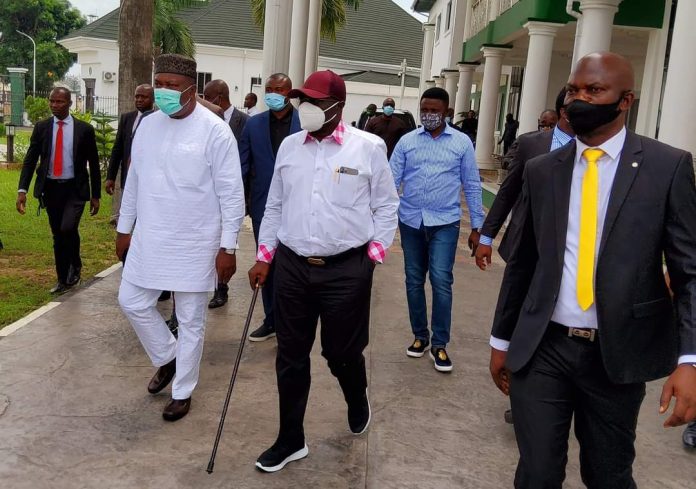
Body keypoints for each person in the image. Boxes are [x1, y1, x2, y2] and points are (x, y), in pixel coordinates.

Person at [489, 52, 696, 488]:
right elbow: (523, 262)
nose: (578, 99)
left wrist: (689, 359)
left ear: (626, 100)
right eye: (574, 89)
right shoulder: (543, 171)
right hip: (543, 346)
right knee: (537, 473)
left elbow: (688, 271)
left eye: (594, 90)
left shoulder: (667, 167)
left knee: (608, 475)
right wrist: (501, 340)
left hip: (615, 354)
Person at [248, 70, 399, 472]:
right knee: (291, 356)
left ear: (338, 106)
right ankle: (290, 439)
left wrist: (373, 257)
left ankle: (356, 395)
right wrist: (264, 256)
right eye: (304, 101)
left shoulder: (368, 147)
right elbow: (275, 205)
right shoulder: (290, 147)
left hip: (346, 269)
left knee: (340, 353)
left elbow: (386, 206)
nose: (307, 109)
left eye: (316, 102)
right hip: (293, 266)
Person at [116, 54, 245, 422]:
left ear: (192, 89)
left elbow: (231, 194)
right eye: (160, 84)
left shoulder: (215, 130)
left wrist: (228, 246)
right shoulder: (147, 126)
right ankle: (168, 356)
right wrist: (124, 229)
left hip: (196, 241)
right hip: (151, 236)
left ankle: (183, 390)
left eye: (172, 85)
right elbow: (134, 181)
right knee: (131, 300)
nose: (164, 92)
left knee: (190, 319)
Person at [390, 87, 485, 373]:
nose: (428, 115)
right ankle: (420, 336)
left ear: (446, 113)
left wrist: (477, 226)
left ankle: (440, 344)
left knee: (442, 280)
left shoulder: (462, 143)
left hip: (445, 222)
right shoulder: (407, 141)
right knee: (413, 280)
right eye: (424, 109)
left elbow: (472, 184)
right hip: (411, 221)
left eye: (434, 110)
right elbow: (390, 181)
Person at [476, 88, 574, 269]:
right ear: (565, 112)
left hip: (570, 252)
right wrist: (486, 237)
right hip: (525, 245)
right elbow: (508, 192)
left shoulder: (595, 152)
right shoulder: (530, 144)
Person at [16, 87, 101, 294]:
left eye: (59, 102)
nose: (54, 105)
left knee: (67, 228)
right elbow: (30, 160)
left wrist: (95, 195)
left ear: (69, 103)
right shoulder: (42, 127)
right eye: (52, 101)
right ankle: (62, 278)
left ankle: (75, 264)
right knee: (58, 234)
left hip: (75, 189)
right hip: (51, 188)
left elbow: (94, 163)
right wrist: (22, 190)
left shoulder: (84, 130)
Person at [240, 73, 302, 342]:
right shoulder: (253, 125)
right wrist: (241, 203)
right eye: (269, 89)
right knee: (266, 262)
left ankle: (292, 320)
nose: (273, 94)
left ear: (289, 93)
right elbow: (242, 166)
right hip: (263, 205)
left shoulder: (304, 123)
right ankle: (271, 319)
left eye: (279, 89)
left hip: (298, 206)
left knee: (293, 266)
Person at [203, 79, 250, 309]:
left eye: (206, 96)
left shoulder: (245, 122)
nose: (203, 101)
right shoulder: (204, 120)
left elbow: (249, 161)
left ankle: (221, 288)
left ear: (219, 97)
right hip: (208, 195)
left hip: (232, 193)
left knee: (227, 243)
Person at [105, 84, 155, 199]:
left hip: (150, 178)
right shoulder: (126, 118)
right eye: (137, 96)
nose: (139, 100)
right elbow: (117, 149)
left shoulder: (159, 119)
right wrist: (110, 177)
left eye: (144, 97)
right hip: (128, 177)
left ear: (153, 99)